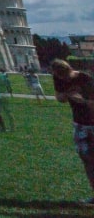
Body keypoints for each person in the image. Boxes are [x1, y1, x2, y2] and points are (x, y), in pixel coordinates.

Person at [50, 59, 94, 203]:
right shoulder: (58, 78)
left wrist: (83, 101)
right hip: (79, 124)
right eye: (61, 77)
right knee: (87, 160)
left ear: (70, 69)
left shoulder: (84, 78)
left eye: (66, 76)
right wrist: (67, 95)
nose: (65, 79)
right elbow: (59, 98)